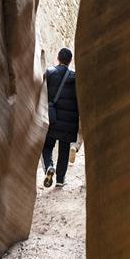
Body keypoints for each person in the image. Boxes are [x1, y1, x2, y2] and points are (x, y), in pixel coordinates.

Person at [42, 47, 79, 188]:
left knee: (47, 146)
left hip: (52, 118)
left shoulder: (50, 73)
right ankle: (60, 179)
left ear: (58, 58)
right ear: (70, 61)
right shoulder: (74, 77)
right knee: (64, 150)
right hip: (69, 121)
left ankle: (49, 166)